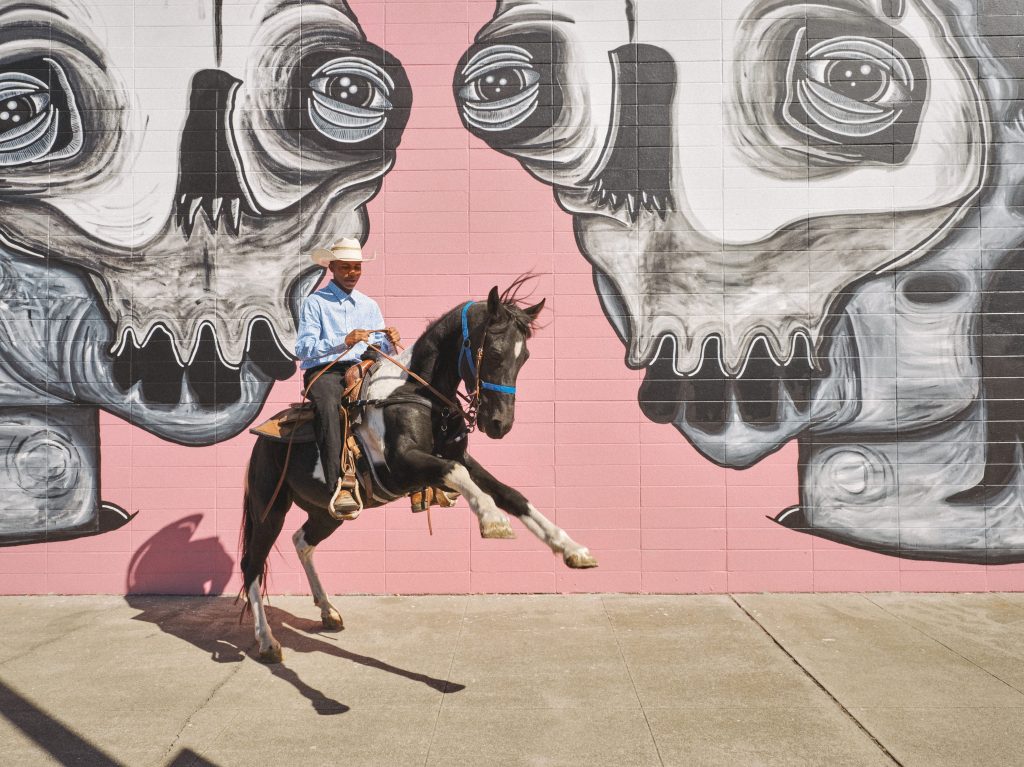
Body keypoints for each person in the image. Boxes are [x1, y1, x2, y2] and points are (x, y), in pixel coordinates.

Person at [295, 238, 400, 518]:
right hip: (325, 371)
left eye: (356, 268)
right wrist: (343, 340)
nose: (352, 273)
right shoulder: (315, 303)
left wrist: (389, 342)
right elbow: (303, 348)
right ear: (332, 267)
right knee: (329, 407)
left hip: (363, 368)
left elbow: (377, 347)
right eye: (346, 268)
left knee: (396, 398)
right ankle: (338, 484)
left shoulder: (369, 305)